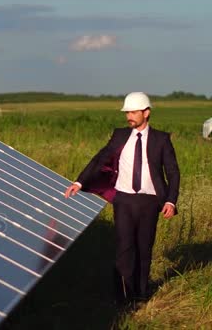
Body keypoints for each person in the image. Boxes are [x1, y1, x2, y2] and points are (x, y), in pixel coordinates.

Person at [64, 92, 180, 303]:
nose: (129, 116)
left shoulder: (161, 139)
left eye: (134, 112)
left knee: (144, 248)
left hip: (150, 201)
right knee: (124, 247)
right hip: (123, 200)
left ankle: (141, 294)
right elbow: (99, 159)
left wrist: (170, 200)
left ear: (146, 112)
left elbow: (172, 172)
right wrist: (79, 182)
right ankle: (122, 296)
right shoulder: (119, 135)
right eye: (127, 112)